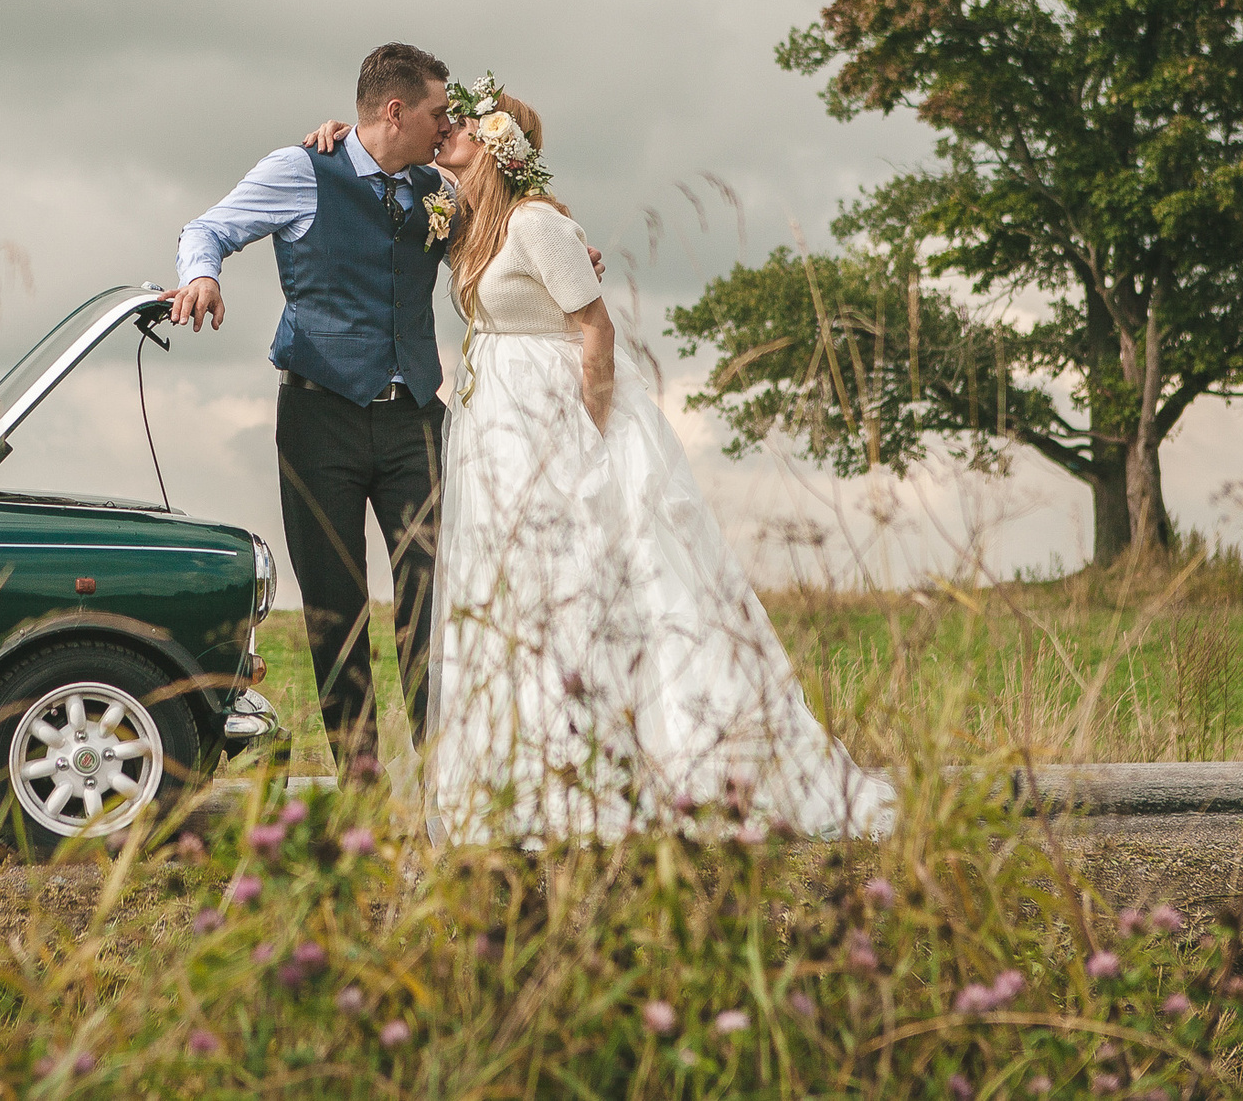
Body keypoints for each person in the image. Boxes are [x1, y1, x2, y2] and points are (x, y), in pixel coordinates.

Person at [318, 73, 893, 842]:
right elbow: (378, 173)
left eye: (465, 127)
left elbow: (597, 328)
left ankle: (622, 766)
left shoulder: (538, 224)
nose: (447, 130)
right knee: (513, 591)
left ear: (497, 149)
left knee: (584, 582)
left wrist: (583, 434)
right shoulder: (465, 220)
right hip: (495, 426)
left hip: (554, 419)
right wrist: (336, 138)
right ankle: (522, 772)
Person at [164, 43, 458, 775]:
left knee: (433, 600)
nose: (446, 127)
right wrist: (202, 277)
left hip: (416, 421)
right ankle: (362, 787)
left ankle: (442, 785)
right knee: (335, 610)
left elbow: (500, 238)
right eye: (438, 113)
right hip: (318, 420)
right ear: (396, 111)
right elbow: (206, 229)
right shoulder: (301, 169)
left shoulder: (441, 186)